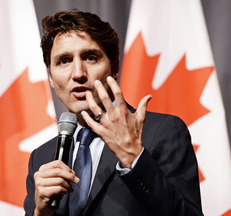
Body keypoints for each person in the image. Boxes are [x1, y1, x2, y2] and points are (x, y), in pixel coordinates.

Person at [24, 10, 203, 216]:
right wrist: (40, 212)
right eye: (64, 61)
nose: (78, 73)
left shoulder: (161, 132)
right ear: (51, 78)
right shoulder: (42, 157)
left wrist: (135, 159)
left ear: (114, 67)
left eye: (90, 57)